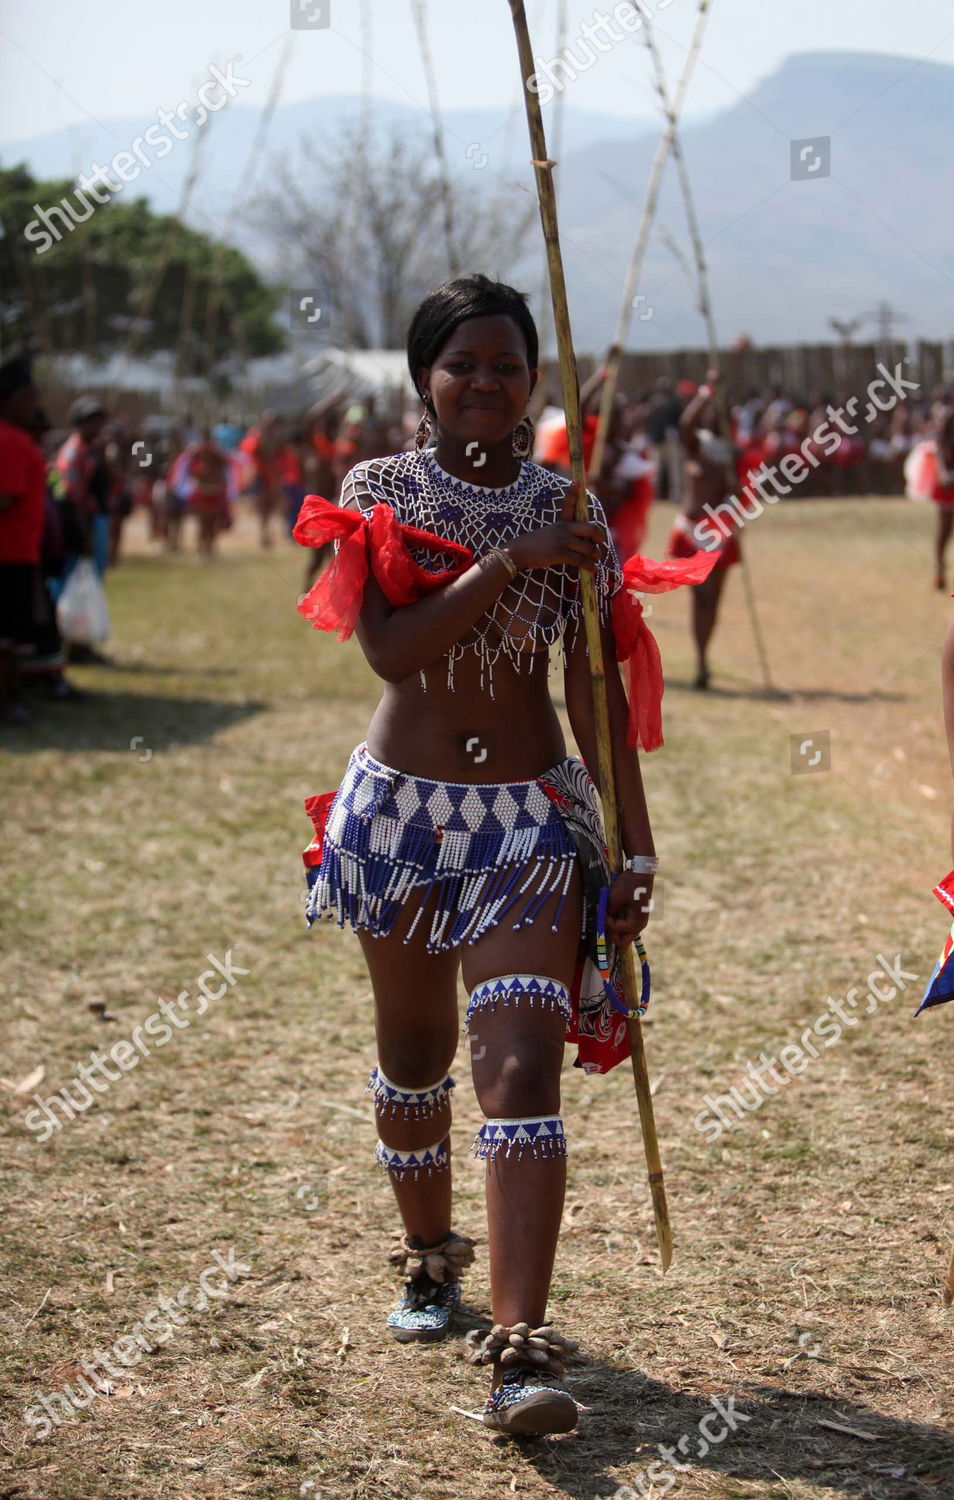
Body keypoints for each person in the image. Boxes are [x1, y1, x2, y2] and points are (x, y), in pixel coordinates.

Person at [294, 275, 659, 1436]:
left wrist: (634, 842)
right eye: (462, 366)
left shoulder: (578, 509)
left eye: (507, 365)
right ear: (424, 380)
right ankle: (426, 1256)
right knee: (415, 1055)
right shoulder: (380, 491)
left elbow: (594, 693)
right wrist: (510, 560)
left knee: (520, 1068)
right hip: (401, 818)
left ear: (533, 381)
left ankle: (519, 1354)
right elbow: (391, 651)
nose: (485, 384)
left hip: (528, 826)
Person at [668, 370, 740, 691]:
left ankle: (703, 658)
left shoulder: (731, 452)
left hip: (721, 530)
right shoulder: (696, 443)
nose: (712, 416)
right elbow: (685, 423)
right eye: (708, 411)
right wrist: (708, 388)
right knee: (701, 596)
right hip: (693, 530)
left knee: (714, 601)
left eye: (718, 411)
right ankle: (700, 660)